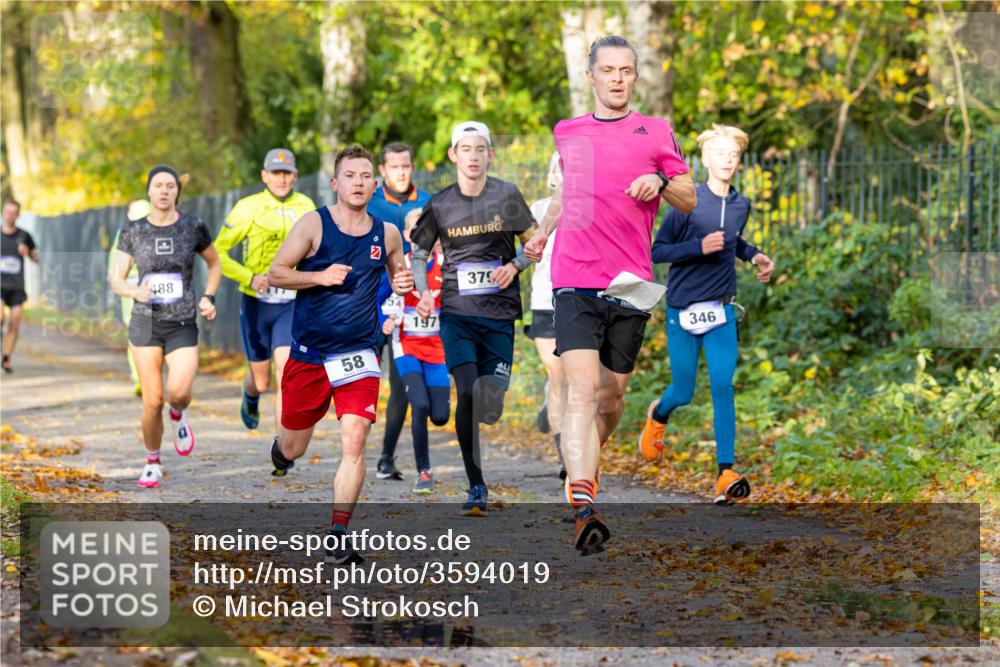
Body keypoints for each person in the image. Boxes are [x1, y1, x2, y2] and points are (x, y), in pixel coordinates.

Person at [524, 36, 696, 553]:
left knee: (611, 396)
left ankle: (585, 473)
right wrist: (543, 232)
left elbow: (687, 196)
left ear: (634, 77)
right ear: (592, 77)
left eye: (627, 70)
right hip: (574, 275)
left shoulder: (656, 131)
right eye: (609, 70)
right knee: (579, 390)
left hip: (631, 283)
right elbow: (567, 190)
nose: (618, 78)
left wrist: (658, 179)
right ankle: (583, 504)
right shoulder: (568, 131)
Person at [267, 145, 414, 564]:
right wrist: (320, 276)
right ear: (336, 183)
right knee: (294, 447)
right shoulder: (313, 223)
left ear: (376, 182)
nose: (359, 183)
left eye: (366, 176)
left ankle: (337, 533)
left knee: (356, 439)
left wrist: (403, 284)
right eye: (350, 176)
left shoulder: (386, 232)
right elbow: (277, 272)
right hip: (310, 355)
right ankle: (281, 448)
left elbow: (399, 273)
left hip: (360, 352)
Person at [640, 124, 775, 504]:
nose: (727, 161)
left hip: (721, 309)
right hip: (682, 308)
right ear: (706, 159)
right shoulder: (688, 201)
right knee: (684, 390)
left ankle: (724, 473)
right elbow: (658, 251)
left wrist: (754, 255)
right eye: (720, 154)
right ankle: (659, 414)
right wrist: (697, 247)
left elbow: (734, 241)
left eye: (733, 155)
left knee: (723, 386)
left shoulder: (741, 205)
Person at [411, 121, 537, 516]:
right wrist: (424, 291)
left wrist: (515, 265)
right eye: (465, 149)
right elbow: (418, 253)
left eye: (480, 148)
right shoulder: (441, 203)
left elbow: (534, 242)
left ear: (489, 155)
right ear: (453, 155)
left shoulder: (507, 195)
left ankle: (478, 475)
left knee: (490, 407)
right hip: (457, 315)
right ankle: (476, 485)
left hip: (499, 316)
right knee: (466, 392)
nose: (473, 156)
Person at [108, 165, 221, 488]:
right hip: (145, 322)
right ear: (149, 191)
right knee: (152, 400)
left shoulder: (192, 226)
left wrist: (209, 296)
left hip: (182, 320)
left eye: (170, 186)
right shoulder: (132, 230)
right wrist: (131, 290)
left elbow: (214, 263)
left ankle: (179, 414)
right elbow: (115, 277)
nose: (164, 191)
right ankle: (152, 462)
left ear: (176, 192)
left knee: (179, 393)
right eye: (158, 185)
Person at [214, 149, 316, 436]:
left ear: (295, 176)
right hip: (257, 302)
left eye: (286, 173)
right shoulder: (248, 207)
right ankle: (251, 395)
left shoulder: (306, 205)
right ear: (264, 176)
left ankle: (282, 444)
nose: (281, 179)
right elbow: (216, 252)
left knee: (285, 371)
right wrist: (249, 276)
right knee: (261, 381)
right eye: (275, 173)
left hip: (291, 302)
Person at [367, 142, 431, 482]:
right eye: (394, 167)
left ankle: (386, 457)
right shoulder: (371, 203)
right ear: (383, 170)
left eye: (406, 166)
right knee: (365, 379)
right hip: (371, 302)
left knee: (400, 382)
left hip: (409, 305)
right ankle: (357, 442)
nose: (401, 172)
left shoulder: (428, 203)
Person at [378, 208, 449, 493]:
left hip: (438, 350)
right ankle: (424, 471)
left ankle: (423, 466)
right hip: (406, 347)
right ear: (407, 235)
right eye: (415, 229)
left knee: (441, 415)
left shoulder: (446, 266)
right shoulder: (399, 268)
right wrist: (385, 321)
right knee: (418, 405)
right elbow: (378, 300)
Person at [527, 152, 567, 479]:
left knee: (578, 379)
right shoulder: (538, 210)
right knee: (559, 375)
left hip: (581, 302)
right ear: (552, 176)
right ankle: (565, 454)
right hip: (544, 301)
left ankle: (551, 405)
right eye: (560, 167)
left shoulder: (591, 209)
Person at [1, 199, 40, 373]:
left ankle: (6, 359)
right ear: (3, 212)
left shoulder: (24, 236)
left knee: (14, 323)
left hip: (17, 286)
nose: (9, 216)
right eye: (7, 212)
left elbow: (37, 258)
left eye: (13, 213)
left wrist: (29, 253)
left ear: (17, 215)